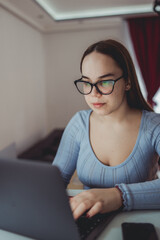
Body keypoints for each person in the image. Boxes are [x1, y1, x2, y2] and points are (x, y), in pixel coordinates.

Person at [53, 39, 160, 220]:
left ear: (127, 82)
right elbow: (53, 184)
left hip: (140, 227)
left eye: (105, 82)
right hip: (90, 223)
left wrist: (118, 196)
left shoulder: (154, 125)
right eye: (87, 83)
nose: (94, 93)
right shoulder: (78, 123)